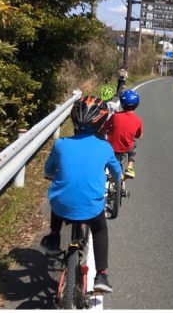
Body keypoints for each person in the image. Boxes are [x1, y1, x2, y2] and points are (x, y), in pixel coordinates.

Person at [40, 95, 122, 293]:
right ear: (102, 123)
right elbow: (117, 173)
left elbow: (49, 171)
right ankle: (101, 273)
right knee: (100, 229)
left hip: (62, 205)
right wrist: (116, 180)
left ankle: (53, 237)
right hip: (92, 208)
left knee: (58, 198)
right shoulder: (105, 147)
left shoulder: (60, 144)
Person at [103, 88, 143, 178]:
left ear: (121, 104)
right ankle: (130, 167)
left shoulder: (115, 116)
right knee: (134, 143)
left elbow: (105, 128)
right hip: (126, 147)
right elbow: (138, 135)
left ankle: (104, 170)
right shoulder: (138, 120)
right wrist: (138, 135)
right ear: (137, 105)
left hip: (112, 145)